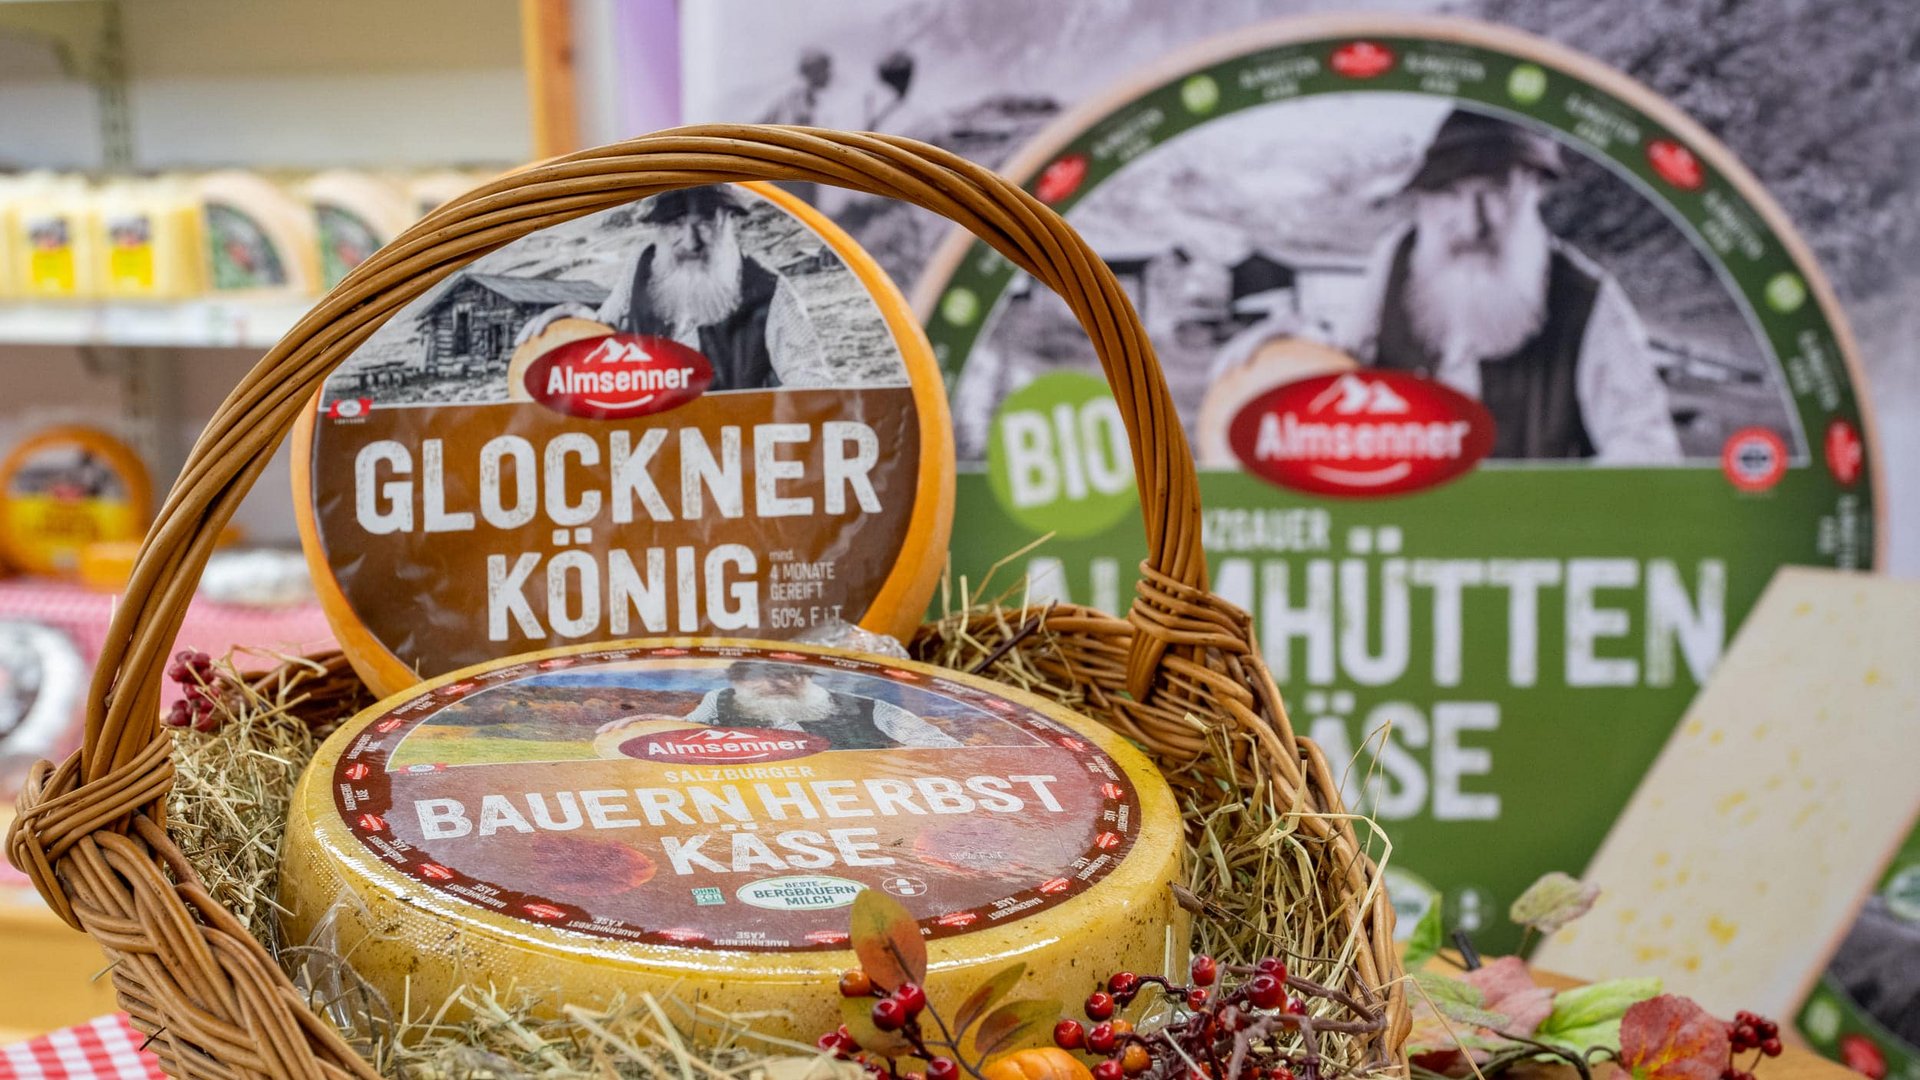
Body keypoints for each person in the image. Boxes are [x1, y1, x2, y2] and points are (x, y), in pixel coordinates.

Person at [1340, 109, 1682, 462]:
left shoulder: (1587, 301)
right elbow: (1344, 373)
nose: (1472, 224)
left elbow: (1647, 451)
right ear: (1424, 199)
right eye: (1450, 194)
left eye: (1494, 193)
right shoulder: (1395, 259)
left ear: (1536, 190)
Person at [516, 187, 824, 390]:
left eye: (705, 222)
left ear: (730, 221)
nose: (690, 242)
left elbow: (813, 388)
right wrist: (576, 318)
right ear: (660, 229)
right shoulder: (642, 265)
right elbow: (606, 330)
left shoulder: (771, 294)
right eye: (676, 224)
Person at [599, 662, 960, 751]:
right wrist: (655, 723)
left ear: (806, 679)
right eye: (756, 679)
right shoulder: (719, 701)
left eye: (785, 678)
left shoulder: (872, 709)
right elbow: (687, 729)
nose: (772, 686)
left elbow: (942, 749)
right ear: (739, 682)